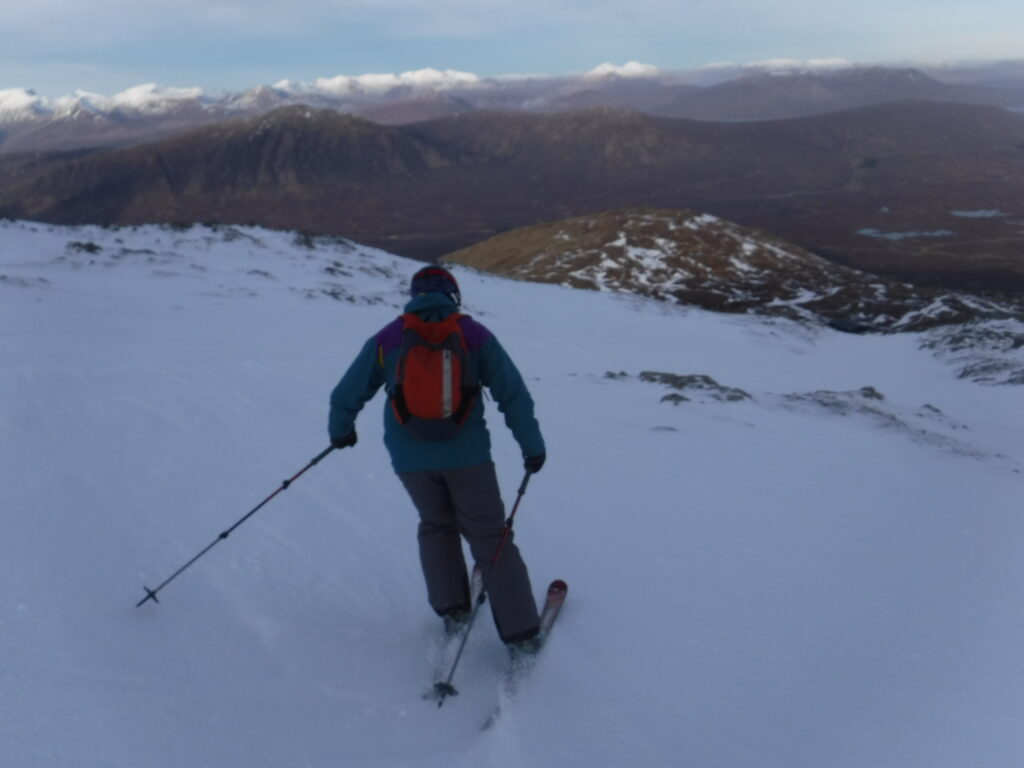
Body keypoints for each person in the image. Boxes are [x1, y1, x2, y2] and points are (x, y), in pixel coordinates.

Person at [328, 265, 547, 651]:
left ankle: (452, 609)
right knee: (489, 535)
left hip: (410, 458)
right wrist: (532, 447)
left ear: (414, 296)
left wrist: (341, 431)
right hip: (468, 457)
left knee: (436, 524)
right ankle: (522, 633)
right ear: (453, 295)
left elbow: (347, 392)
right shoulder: (474, 334)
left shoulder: (389, 337)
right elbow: (513, 394)